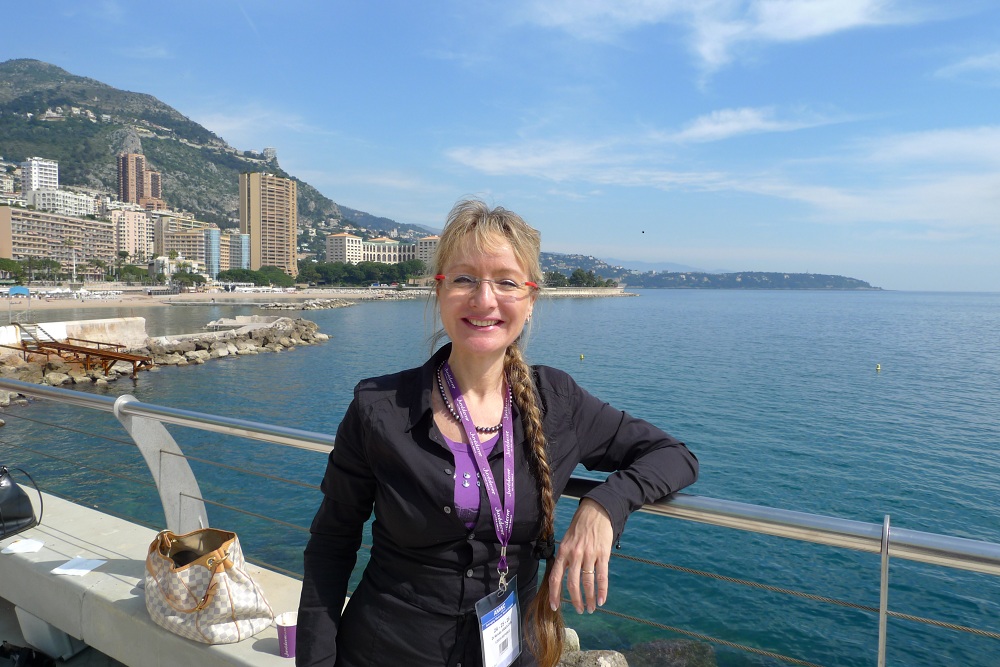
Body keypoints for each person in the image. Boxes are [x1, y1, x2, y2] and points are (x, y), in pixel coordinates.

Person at [297, 199, 698, 667]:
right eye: (464, 279)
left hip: (514, 652)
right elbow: (331, 545)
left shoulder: (559, 402)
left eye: (506, 282)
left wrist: (605, 504)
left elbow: (674, 455)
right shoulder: (379, 408)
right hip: (385, 650)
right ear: (439, 290)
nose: (484, 300)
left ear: (530, 300)